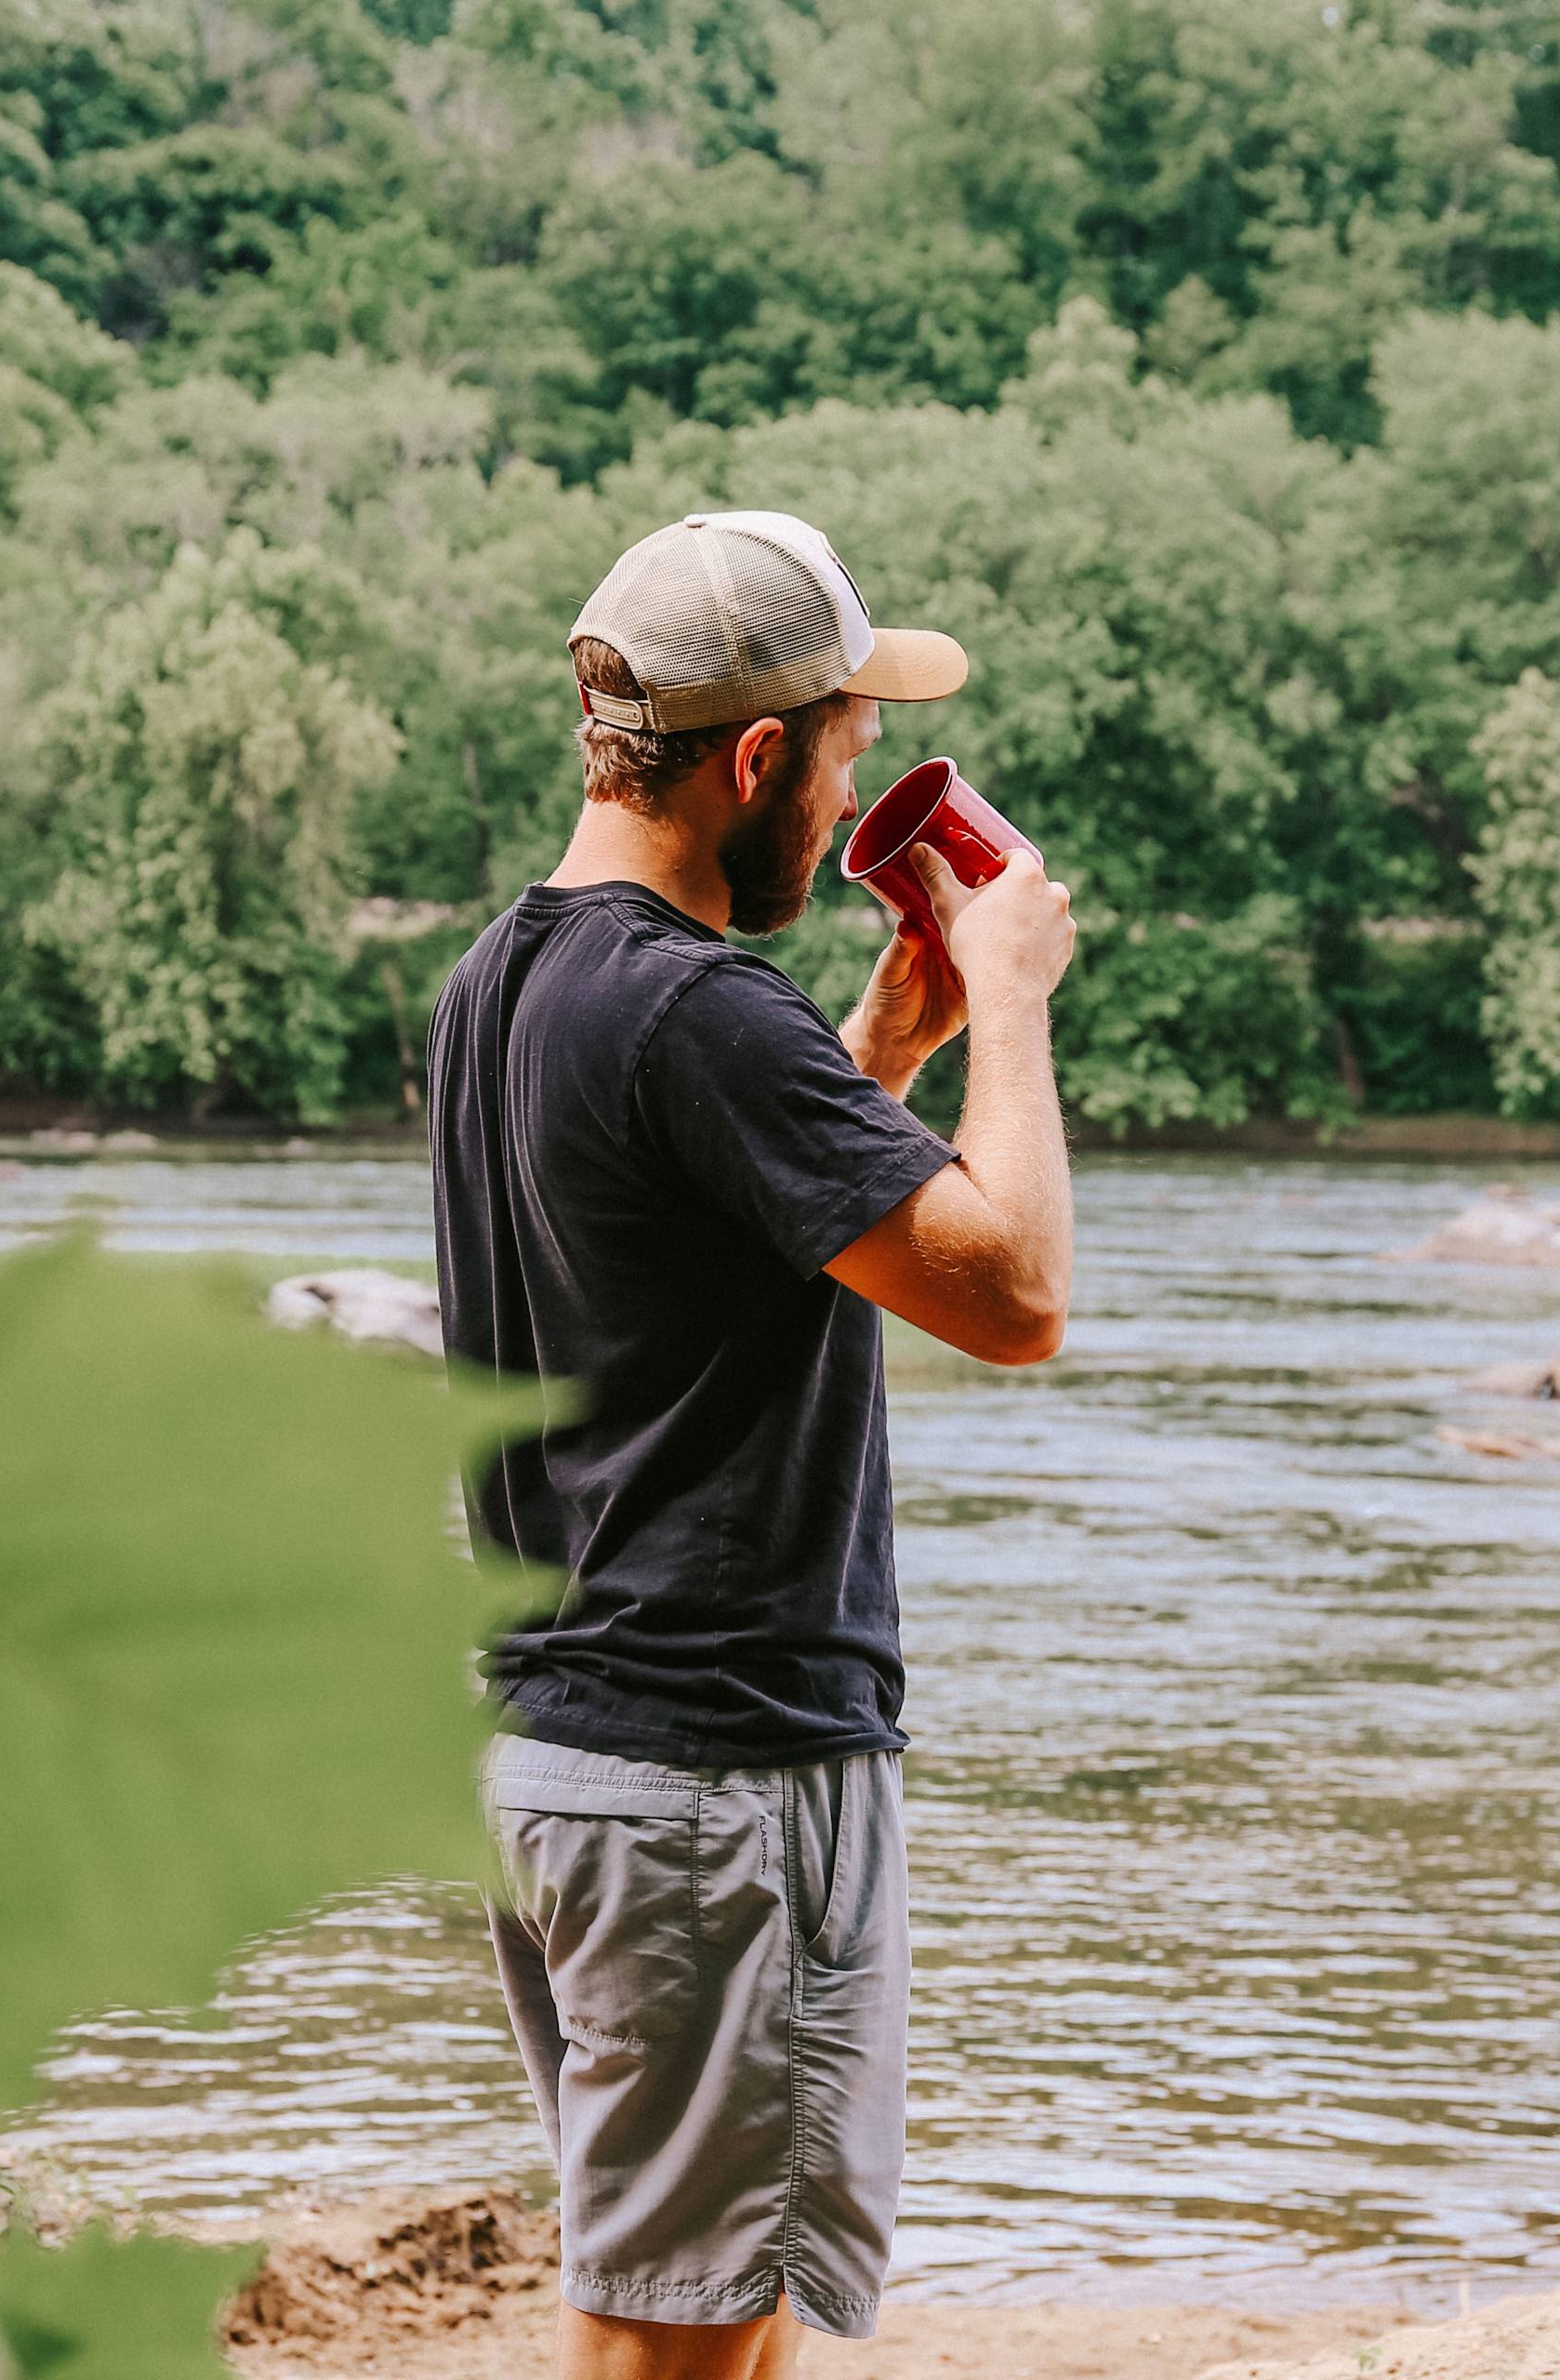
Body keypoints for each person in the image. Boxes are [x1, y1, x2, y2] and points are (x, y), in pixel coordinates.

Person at [429, 510, 1079, 2380]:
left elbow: (699, 1256)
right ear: (761, 757)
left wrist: (887, 1028)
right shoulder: (703, 1009)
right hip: (709, 1774)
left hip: (565, 1752)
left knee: (700, 2302)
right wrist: (1013, 1006)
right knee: (673, 2341)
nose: (859, 779)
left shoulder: (514, 983)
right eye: (853, 743)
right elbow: (1015, 1293)